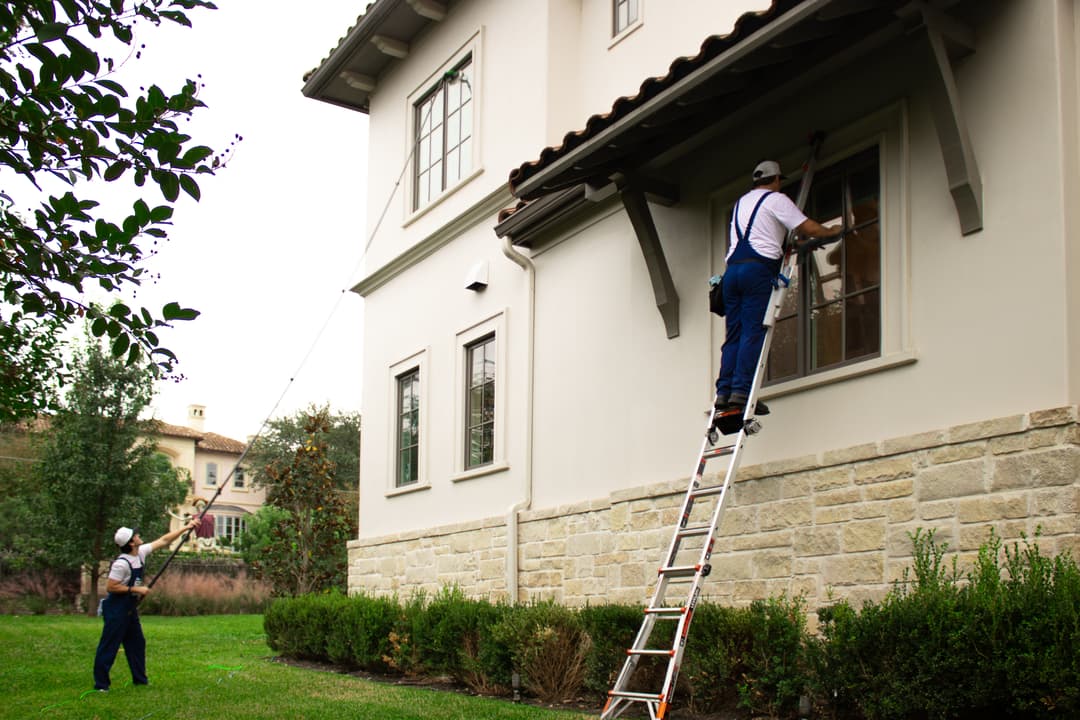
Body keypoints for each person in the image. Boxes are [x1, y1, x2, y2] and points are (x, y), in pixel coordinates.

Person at [715, 160, 842, 415]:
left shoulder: (741, 203)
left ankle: (724, 393)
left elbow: (762, 233)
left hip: (732, 273)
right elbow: (807, 227)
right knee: (753, 332)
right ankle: (742, 392)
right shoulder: (776, 199)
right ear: (775, 180)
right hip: (756, 272)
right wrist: (830, 231)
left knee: (734, 336)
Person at [93, 519, 199, 692]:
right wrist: (137, 589)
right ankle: (101, 685)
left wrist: (186, 528)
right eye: (136, 534)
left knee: (137, 643)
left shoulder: (140, 552)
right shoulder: (122, 563)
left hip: (129, 607)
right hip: (116, 609)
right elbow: (111, 586)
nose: (138, 535)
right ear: (131, 542)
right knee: (109, 645)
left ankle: (140, 680)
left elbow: (164, 541)